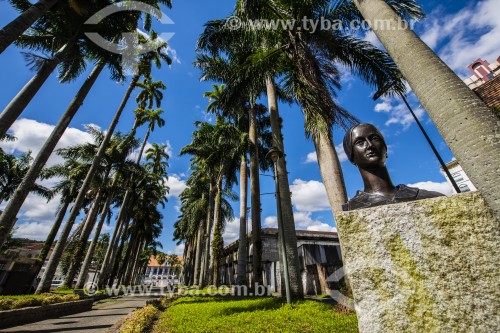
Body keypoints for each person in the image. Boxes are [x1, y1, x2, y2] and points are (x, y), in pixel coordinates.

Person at [342, 123, 443, 211]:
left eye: (374, 139)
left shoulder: (430, 197)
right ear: (352, 158)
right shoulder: (351, 208)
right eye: (360, 142)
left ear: (385, 150)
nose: (370, 145)